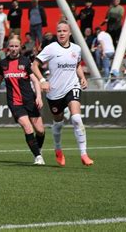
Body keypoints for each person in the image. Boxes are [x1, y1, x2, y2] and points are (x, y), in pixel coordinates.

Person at [31, 20, 94, 167]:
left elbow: (77, 65)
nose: (61, 33)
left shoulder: (77, 49)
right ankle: (58, 149)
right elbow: (34, 65)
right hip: (54, 92)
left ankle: (84, 154)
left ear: (70, 33)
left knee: (77, 118)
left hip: (72, 87)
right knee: (58, 123)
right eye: (59, 31)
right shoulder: (51, 48)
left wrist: (82, 77)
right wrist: (42, 80)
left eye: (64, 31)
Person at [0, 38, 45, 165]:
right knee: (27, 127)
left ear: (20, 47)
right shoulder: (3, 64)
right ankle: (38, 156)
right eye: (12, 46)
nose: (14, 48)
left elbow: (35, 81)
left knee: (40, 131)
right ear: (8, 48)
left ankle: (38, 149)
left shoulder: (26, 62)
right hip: (15, 102)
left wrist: (38, 97)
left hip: (30, 100)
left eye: (16, 46)